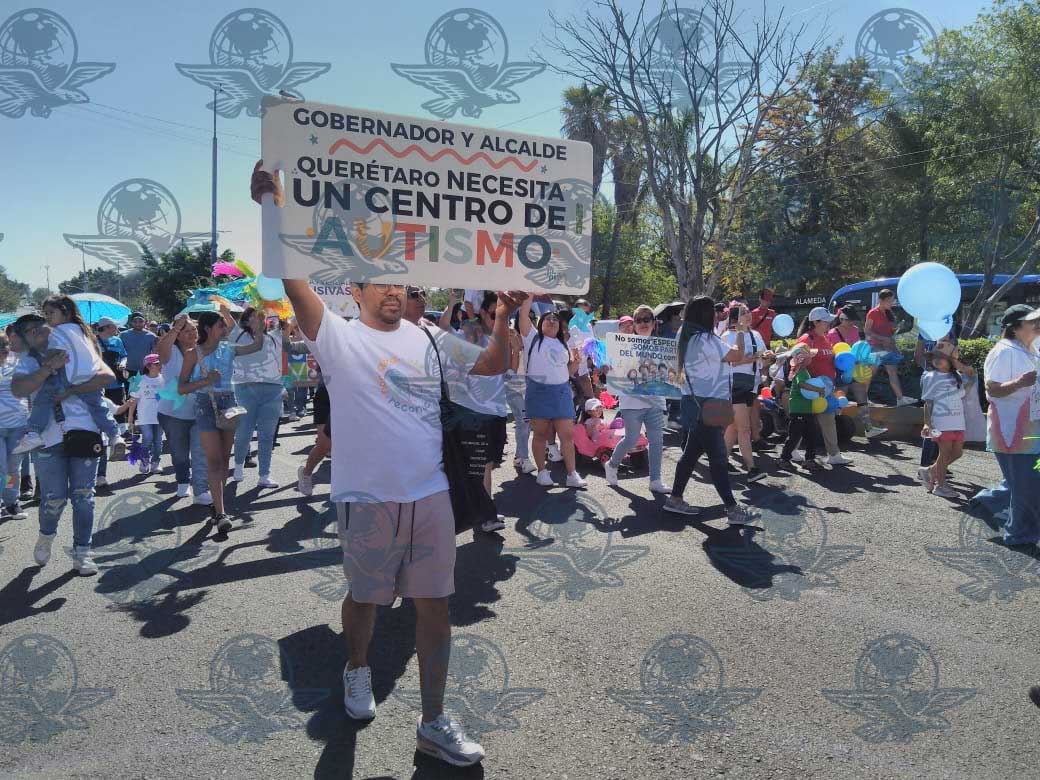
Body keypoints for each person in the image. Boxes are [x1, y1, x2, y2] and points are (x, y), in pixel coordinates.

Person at [253, 159, 532, 766]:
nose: (391, 290)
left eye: (399, 282)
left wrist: (505, 316)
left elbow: (492, 365)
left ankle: (433, 720)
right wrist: (273, 208)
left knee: (434, 606)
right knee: (367, 600)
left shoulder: (429, 336)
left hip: (430, 495)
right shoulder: (338, 337)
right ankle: (356, 667)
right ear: (354, 292)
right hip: (366, 499)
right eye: (378, 282)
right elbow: (295, 281)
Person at [11, 312, 117, 575]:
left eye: (42, 328)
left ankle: (83, 552)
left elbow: (107, 377)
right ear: (27, 337)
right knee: (54, 498)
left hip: (85, 431)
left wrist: (71, 389)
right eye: (32, 332)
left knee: (84, 496)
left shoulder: (80, 350)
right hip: (47, 439)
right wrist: (49, 368)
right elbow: (19, 389)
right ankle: (46, 535)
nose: (40, 334)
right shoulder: (27, 361)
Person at [665, 296, 756, 524]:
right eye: (713, 311)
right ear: (706, 315)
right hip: (710, 405)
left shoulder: (686, 335)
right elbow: (736, 356)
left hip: (696, 403)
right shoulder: (706, 338)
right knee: (718, 457)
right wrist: (741, 331)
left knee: (690, 455)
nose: (718, 315)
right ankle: (732, 509)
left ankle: (675, 499)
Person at [178, 306, 264, 533]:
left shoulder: (229, 349)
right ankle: (221, 512)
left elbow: (256, 346)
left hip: (229, 403)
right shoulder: (192, 354)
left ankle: (217, 506)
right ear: (208, 328)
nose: (225, 328)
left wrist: (259, 327)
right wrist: (205, 381)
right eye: (220, 325)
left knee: (225, 460)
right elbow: (181, 388)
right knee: (214, 460)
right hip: (205, 404)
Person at [436, 290, 509, 532]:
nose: (498, 320)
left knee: (487, 465)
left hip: (497, 411)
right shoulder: (470, 335)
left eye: (503, 315)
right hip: (473, 412)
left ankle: (480, 511)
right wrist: (452, 302)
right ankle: (486, 515)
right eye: (494, 315)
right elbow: (443, 329)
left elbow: (510, 370)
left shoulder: (503, 338)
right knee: (482, 466)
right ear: (483, 313)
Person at [13, 296, 120, 456]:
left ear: (66, 312)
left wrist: (48, 364)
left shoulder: (58, 332)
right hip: (89, 376)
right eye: (45, 313)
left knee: (44, 397)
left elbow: (54, 354)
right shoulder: (84, 332)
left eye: (51, 312)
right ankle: (115, 435)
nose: (48, 317)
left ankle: (34, 432)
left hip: (68, 378)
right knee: (99, 407)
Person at [982, 305, 1040, 547]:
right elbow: (992, 389)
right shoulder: (1004, 352)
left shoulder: (1031, 349)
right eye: (1033, 321)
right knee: (1026, 484)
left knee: (1026, 481)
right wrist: (1019, 382)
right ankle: (1019, 534)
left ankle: (987, 504)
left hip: (1032, 428)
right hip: (1012, 430)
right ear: (1015, 327)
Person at [518, 297, 587, 488]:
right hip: (538, 392)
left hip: (562, 392)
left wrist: (576, 362)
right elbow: (523, 314)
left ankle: (572, 474)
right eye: (547, 318)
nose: (551, 320)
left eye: (555, 319)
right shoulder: (532, 337)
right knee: (541, 434)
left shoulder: (563, 344)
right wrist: (530, 294)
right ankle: (542, 472)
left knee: (567, 435)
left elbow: (567, 372)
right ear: (540, 324)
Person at [605, 305, 668, 493]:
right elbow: (613, 370)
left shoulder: (663, 347)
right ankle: (612, 464)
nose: (642, 323)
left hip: (655, 401)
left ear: (654, 323)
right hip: (631, 402)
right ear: (633, 325)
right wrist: (609, 370)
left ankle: (655, 480)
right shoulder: (623, 345)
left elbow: (669, 373)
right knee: (632, 439)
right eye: (638, 320)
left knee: (657, 441)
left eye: (646, 319)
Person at [230, 307, 287, 489]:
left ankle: (264, 475)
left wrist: (283, 385)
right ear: (246, 321)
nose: (261, 321)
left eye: (263, 318)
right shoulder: (238, 335)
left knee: (267, 436)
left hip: (272, 390)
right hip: (246, 389)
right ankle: (238, 465)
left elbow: (280, 360)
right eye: (256, 318)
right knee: (244, 432)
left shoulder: (274, 337)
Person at [156, 315, 211, 503]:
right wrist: (176, 326)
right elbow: (161, 351)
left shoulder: (204, 350)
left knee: (200, 452)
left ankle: (200, 490)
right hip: (172, 413)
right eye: (186, 331)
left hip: (200, 411)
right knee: (180, 453)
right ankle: (182, 482)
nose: (192, 333)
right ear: (177, 335)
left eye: (194, 329)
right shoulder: (170, 351)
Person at [795, 308, 854, 466]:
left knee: (829, 420)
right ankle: (791, 451)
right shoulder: (806, 339)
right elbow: (798, 362)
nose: (829, 323)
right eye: (826, 320)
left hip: (825, 388)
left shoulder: (825, 338)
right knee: (803, 422)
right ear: (815, 322)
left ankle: (834, 455)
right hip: (812, 389)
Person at [918, 343, 974, 499]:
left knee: (957, 453)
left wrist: (970, 380)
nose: (937, 360)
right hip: (941, 421)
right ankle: (940, 486)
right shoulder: (930, 377)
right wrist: (927, 423)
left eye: (942, 357)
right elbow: (928, 402)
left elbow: (962, 394)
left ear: (952, 361)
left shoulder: (956, 376)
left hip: (957, 421)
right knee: (945, 453)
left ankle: (929, 470)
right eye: (935, 356)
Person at [721, 303, 769, 482]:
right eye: (743, 313)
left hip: (751, 383)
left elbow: (762, 358)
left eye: (748, 311)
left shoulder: (755, 334)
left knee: (734, 427)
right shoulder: (728, 335)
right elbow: (728, 362)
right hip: (734, 383)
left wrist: (768, 357)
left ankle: (721, 461)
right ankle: (751, 468)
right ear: (735, 318)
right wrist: (749, 359)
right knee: (744, 428)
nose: (748, 315)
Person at [828, 306, 887, 440]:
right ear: (842, 319)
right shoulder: (833, 333)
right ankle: (832, 428)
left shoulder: (854, 330)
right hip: (840, 370)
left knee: (861, 395)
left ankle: (868, 428)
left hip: (855, 367)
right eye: (849, 320)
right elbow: (835, 354)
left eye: (852, 320)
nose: (851, 323)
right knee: (840, 398)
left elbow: (858, 348)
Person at [865, 290, 917, 407]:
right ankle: (863, 398)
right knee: (871, 373)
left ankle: (900, 399)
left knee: (892, 372)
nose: (891, 303)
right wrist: (883, 338)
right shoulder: (873, 313)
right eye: (889, 300)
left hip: (887, 348)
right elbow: (867, 331)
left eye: (892, 300)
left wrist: (897, 329)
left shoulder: (889, 313)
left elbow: (889, 333)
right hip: (875, 348)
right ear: (880, 300)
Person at [0, 333, 29, 520]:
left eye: (5, 347)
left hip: (18, 424)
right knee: (0, 467)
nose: (3, 352)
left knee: (12, 468)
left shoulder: (18, 363)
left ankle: (11, 503)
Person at [780, 346, 820, 467]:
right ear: (802, 359)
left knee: (811, 435)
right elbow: (802, 385)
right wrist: (818, 389)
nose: (812, 359)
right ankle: (784, 459)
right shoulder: (801, 372)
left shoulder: (803, 371)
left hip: (806, 409)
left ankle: (809, 459)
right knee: (794, 436)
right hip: (799, 410)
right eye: (809, 357)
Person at [131, 353, 165, 474]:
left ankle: (155, 462)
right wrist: (130, 417)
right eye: (157, 363)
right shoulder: (139, 380)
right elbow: (133, 399)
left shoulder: (164, 379)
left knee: (158, 441)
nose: (160, 365)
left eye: (160, 363)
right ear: (148, 366)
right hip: (144, 416)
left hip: (160, 416)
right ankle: (144, 461)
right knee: (148, 437)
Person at [96, 317, 129, 435]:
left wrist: (123, 363)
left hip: (116, 381)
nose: (117, 329)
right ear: (107, 327)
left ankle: (123, 432)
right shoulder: (93, 341)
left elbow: (124, 356)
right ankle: (104, 434)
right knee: (102, 409)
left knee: (119, 405)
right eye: (115, 326)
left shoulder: (117, 341)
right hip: (100, 383)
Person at [119, 312, 157, 381]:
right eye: (135, 321)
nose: (138, 324)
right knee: (128, 388)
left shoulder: (151, 336)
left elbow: (155, 354)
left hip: (145, 370)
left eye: (140, 321)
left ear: (144, 322)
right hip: (127, 369)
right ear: (131, 322)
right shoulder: (123, 335)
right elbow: (119, 352)